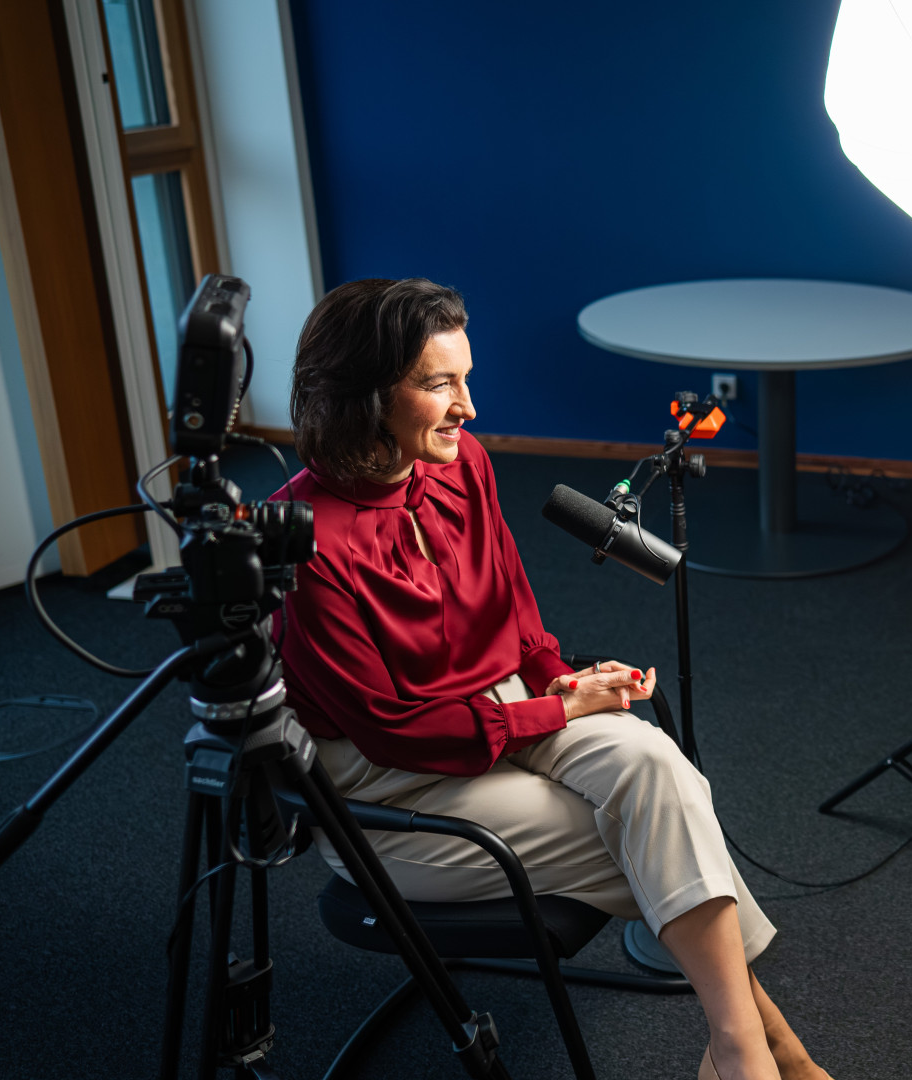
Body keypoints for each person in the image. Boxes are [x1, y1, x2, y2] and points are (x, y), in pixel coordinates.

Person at [272, 277, 828, 1080]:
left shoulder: (463, 462)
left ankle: (745, 1052)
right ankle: (767, 1054)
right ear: (361, 396)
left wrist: (556, 678)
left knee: (656, 769)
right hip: (393, 786)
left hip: (500, 708)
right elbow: (394, 730)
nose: (468, 407)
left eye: (466, 378)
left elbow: (515, 610)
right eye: (439, 385)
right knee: (659, 839)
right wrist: (556, 710)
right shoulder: (308, 543)